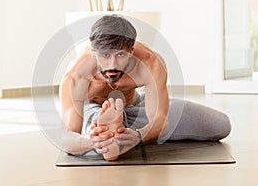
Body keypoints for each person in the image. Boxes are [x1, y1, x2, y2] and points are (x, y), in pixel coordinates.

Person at [59, 14, 231, 161]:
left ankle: (118, 133)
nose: (113, 65)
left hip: (137, 106)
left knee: (220, 125)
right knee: (99, 135)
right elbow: (66, 137)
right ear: (93, 52)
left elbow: (160, 121)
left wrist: (139, 136)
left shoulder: (150, 63)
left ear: (132, 51)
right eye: (105, 56)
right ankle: (106, 134)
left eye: (120, 55)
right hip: (95, 108)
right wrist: (92, 141)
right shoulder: (77, 77)